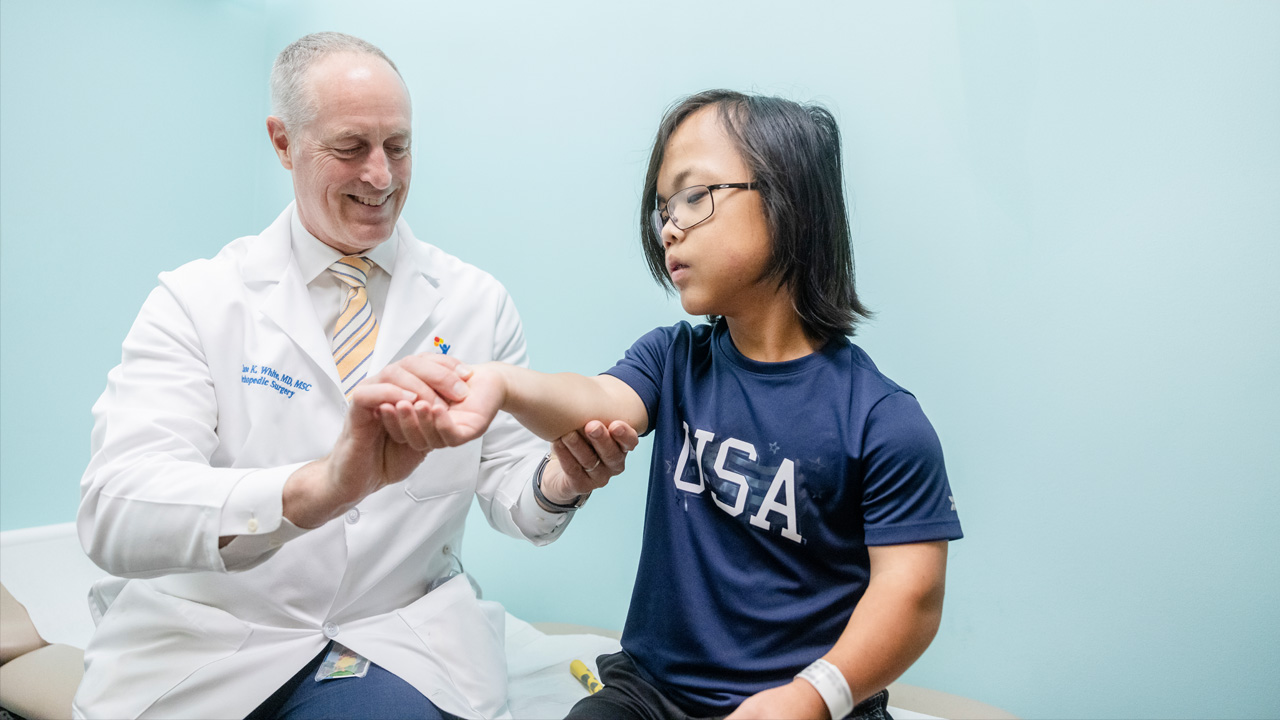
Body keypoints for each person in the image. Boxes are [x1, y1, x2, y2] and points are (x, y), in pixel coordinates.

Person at [73, 32, 635, 720]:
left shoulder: (474, 302)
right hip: (215, 644)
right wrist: (319, 488)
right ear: (283, 143)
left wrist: (561, 481)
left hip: (393, 637)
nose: (381, 176)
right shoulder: (197, 302)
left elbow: (515, 498)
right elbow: (115, 511)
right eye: (351, 148)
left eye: (398, 146)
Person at [396, 90, 964, 720]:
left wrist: (812, 696)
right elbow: (594, 401)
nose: (669, 226)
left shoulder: (882, 422)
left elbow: (911, 596)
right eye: (663, 208)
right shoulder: (672, 359)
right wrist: (502, 384)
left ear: (790, 202)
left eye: (694, 197)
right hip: (652, 696)